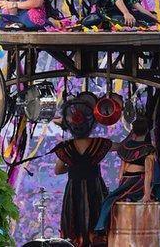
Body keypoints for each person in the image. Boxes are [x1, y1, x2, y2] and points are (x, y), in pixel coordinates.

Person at [53, 100, 113, 247]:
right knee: (96, 218)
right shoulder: (99, 143)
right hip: (95, 187)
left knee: (74, 220)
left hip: (74, 189)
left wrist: (74, 167)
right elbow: (121, 147)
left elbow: (58, 170)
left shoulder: (65, 147)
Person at [94, 117, 159, 235]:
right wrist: (147, 194)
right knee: (112, 199)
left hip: (129, 181)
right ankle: (101, 226)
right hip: (137, 182)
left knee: (110, 199)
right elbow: (148, 172)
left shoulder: (126, 147)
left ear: (133, 131)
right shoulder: (148, 149)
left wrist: (122, 185)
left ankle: (101, 226)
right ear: (147, 131)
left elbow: (122, 170)